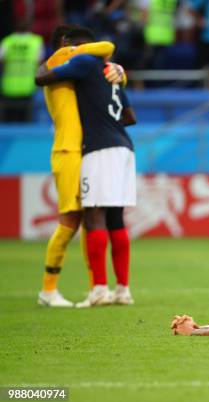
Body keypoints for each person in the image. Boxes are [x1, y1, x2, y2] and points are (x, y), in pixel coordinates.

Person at [35, 27, 138, 308]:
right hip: (90, 148)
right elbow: (130, 115)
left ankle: (98, 289)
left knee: (93, 218)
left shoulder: (88, 65)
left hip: (95, 147)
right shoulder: (94, 65)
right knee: (93, 219)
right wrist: (116, 71)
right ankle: (105, 289)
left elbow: (104, 47)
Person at [0, 20, 43, 122]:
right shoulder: (36, 41)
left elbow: (1, 61)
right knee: (26, 122)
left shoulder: (7, 41)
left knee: (8, 121)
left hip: (9, 86)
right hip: (29, 86)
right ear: (29, 27)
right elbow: (40, 63)